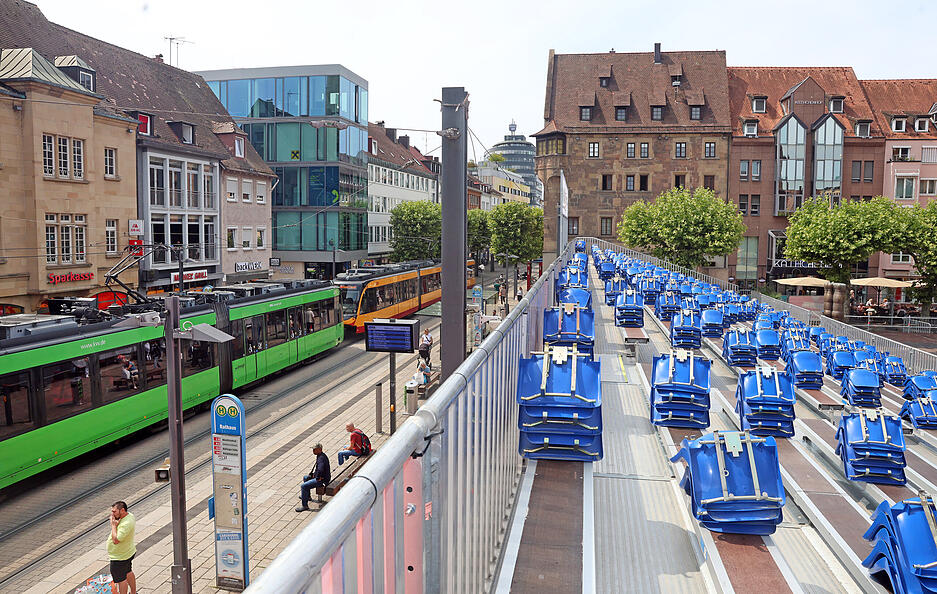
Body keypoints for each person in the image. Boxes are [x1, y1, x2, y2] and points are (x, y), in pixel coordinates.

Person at [107, 501, 136, 594]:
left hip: (120, 556)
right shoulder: (129, 516)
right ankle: (133, 592)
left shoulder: (126, 524)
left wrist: (113, 525)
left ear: (122, 510)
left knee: (121, 579)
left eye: (114, 512)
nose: (112, 514)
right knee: (128, 572)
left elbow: (116, 540)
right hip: (127, 552)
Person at [296, 443, 331, 512]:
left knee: (303, 486)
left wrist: (318, 477)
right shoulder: (320, 455)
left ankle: (305, 506)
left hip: (323, 480)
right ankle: (307, 496)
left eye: (315, 450)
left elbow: (321, 469)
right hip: (322, 477)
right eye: (313, 449)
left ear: (320, 449)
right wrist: (313, 475)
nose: (313, 451)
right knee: (306, 478)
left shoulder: (321, 458)